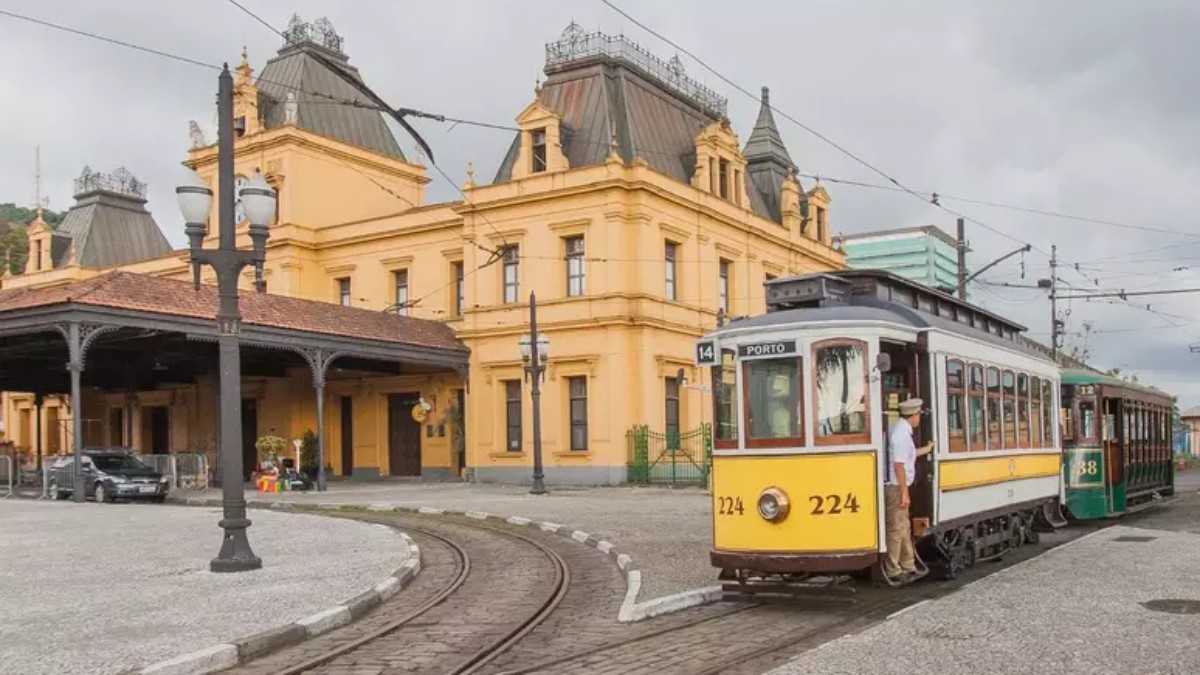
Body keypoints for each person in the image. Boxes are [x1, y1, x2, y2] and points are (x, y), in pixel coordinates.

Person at [885, 398, 934, 578]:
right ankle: (893, 570)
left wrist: (927, 449)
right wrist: (905, 493)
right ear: (913, 416)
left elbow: (909, 455)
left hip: (899, 486)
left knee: (904, 527)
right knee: (896, 529)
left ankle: (908, 565)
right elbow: (899, 465)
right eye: (919, 415)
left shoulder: (901, 431)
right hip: (896, 487)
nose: (919, 418)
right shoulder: (901, 435)